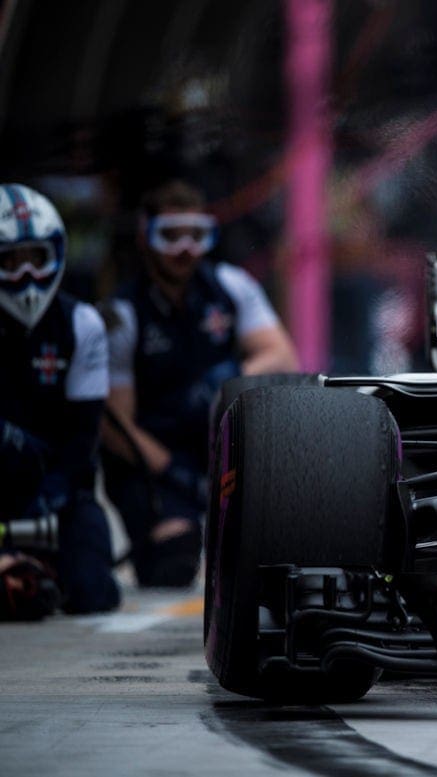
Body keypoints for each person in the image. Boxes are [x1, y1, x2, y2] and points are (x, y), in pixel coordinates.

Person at [100, 180, 298, 587]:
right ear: (145, 237)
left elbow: (282, 356)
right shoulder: (122, 314)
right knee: (172, 564)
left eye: (196, 235)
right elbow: (116, 427)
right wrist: (176, 475)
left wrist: (228, 385)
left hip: (220, 444)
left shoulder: (231, 286)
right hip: (154, 464)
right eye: (170, 236)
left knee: (276, 558)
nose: (185, 248)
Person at [0, 183, 120, 618]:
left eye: (35, 259)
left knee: (94, 594)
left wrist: (50, 499)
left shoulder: (82, 323)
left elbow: (83, 439)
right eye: (9, 263)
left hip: (58, 490)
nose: (26, 277)